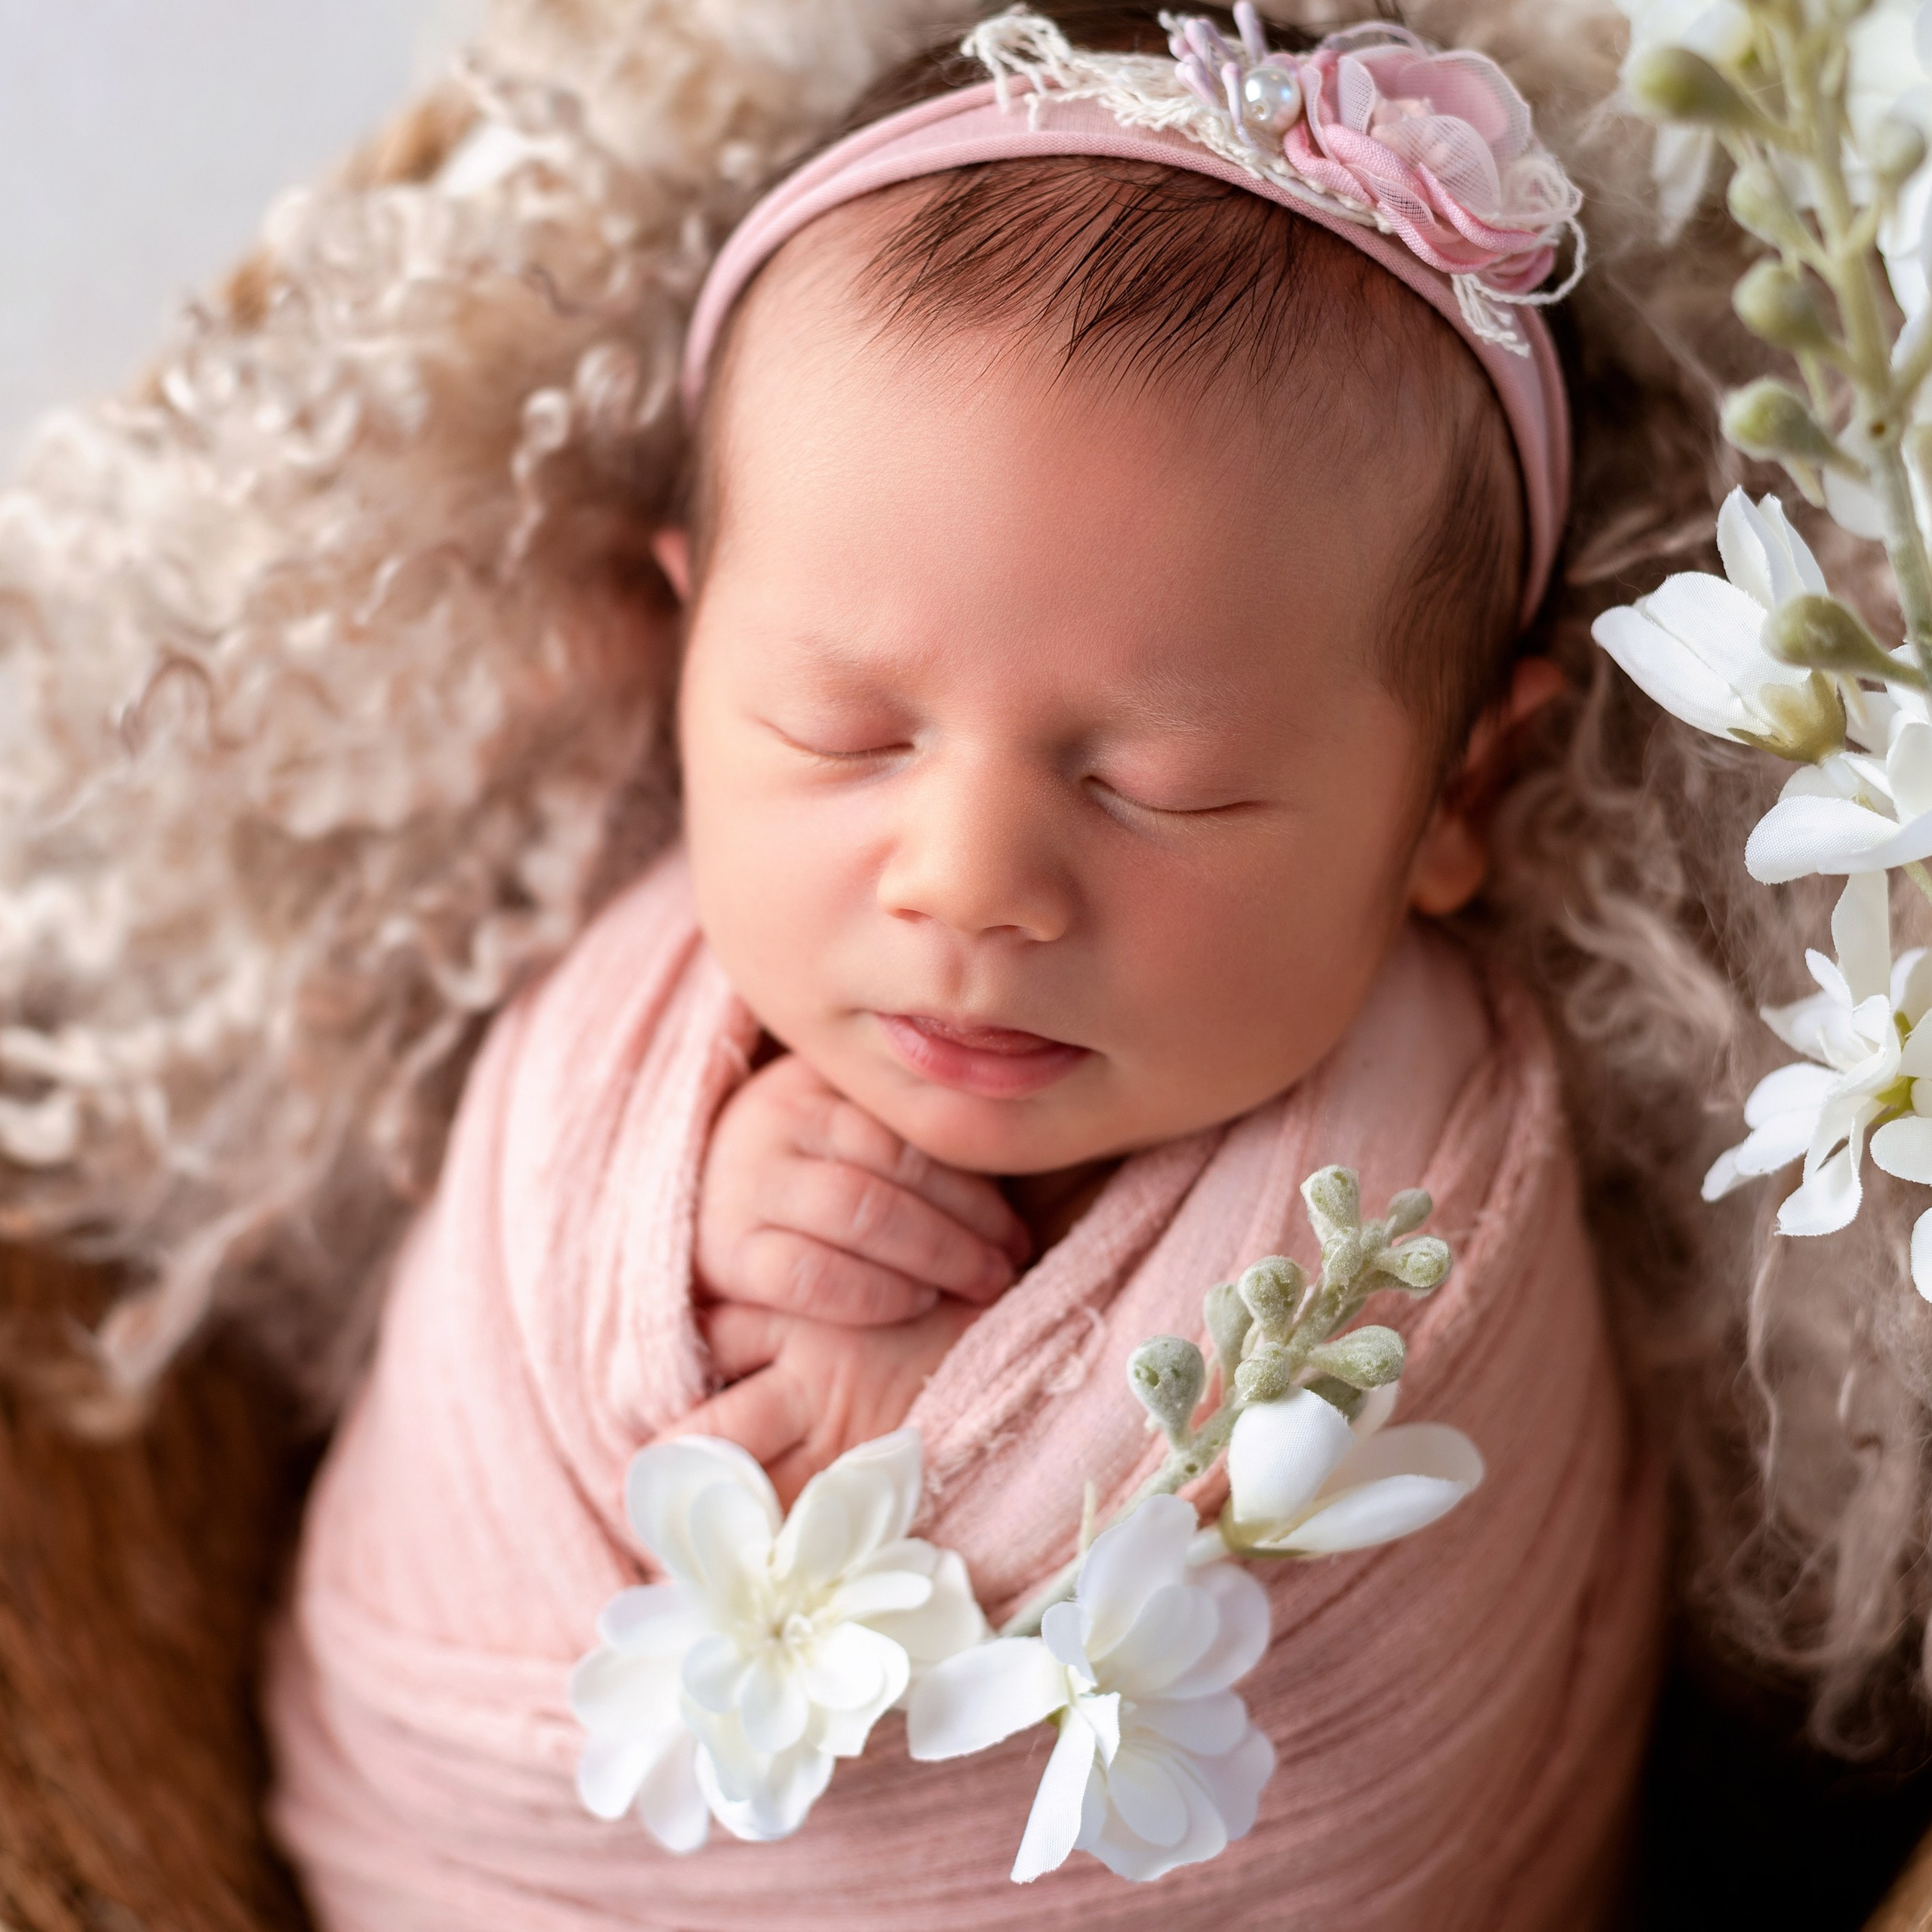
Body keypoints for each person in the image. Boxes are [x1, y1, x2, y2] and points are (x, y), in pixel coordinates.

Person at [260, 6, 1665, 1927]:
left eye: (1156, 784)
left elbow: (1377, 1742)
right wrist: (693, 1229)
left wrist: (957, 1434)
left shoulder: (1437, 1167)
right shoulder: (645, 1015)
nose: (972, 881)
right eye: (845, 731)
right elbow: (516, 1361)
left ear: (1451, 793)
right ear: (684, 642)